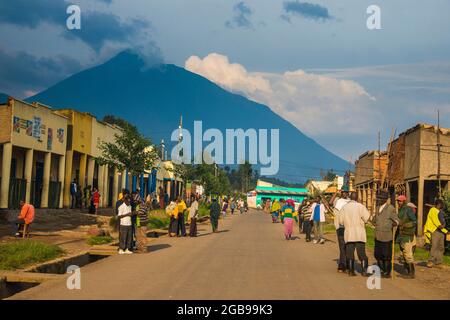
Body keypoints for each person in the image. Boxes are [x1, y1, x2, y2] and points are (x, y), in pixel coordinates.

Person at [338, 192, 370, 277]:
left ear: (350, 198)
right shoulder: (361, 206)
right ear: (357, 198)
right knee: (362, 253)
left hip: (349, 234)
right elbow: (367, 218)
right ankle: (364, 271)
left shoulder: (344, 208)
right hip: (359, 234)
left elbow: (340, 222)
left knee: (350, 253)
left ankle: (351, 271)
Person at [373, 191, 398, 278]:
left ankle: (387, 272)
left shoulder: (391, 208)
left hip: (386, 236)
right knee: (377, 254)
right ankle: (381, 269)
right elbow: (375, 219)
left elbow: (396, 220)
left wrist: (395, 223)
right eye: (378, 198)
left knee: (386, 255)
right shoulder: (377, 208)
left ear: (385, 199)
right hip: (377, 235)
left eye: (380, 198)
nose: (379, 200)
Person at [329, 186, 351, 272]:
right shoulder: (337, 200)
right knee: (342, 246)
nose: (345, 194)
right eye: (343, 192)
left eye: (346, 192)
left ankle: (346, 265)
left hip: (349, 227)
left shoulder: (350, 201)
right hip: (340, 227)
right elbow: (330, 203)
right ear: (341, 193)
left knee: (348, 246)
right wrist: (335, 193)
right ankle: (343, 265)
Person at [396, 195, 417, 279]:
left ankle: (411, 273)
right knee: (404, 253)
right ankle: (408, 270)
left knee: (408, 254)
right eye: (398, 201)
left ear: (404, 201)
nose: (399, 202)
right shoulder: (400, 210)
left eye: (400, 201)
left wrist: (404, 225)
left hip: (407, 235)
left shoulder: (408, 209)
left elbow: (414, 221)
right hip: (402, 235)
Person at [424, 199, 448, 268]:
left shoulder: (439, 211)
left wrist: (444, 230)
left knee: (441, 247)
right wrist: (445, 230)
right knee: (434, 246)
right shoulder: (433, 210)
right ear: (439, 204)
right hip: (434, 230)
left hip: (441, 231)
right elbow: (436, 222)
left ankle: (438, 262)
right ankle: (430, 261)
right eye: (441, 204)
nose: (442, 206)